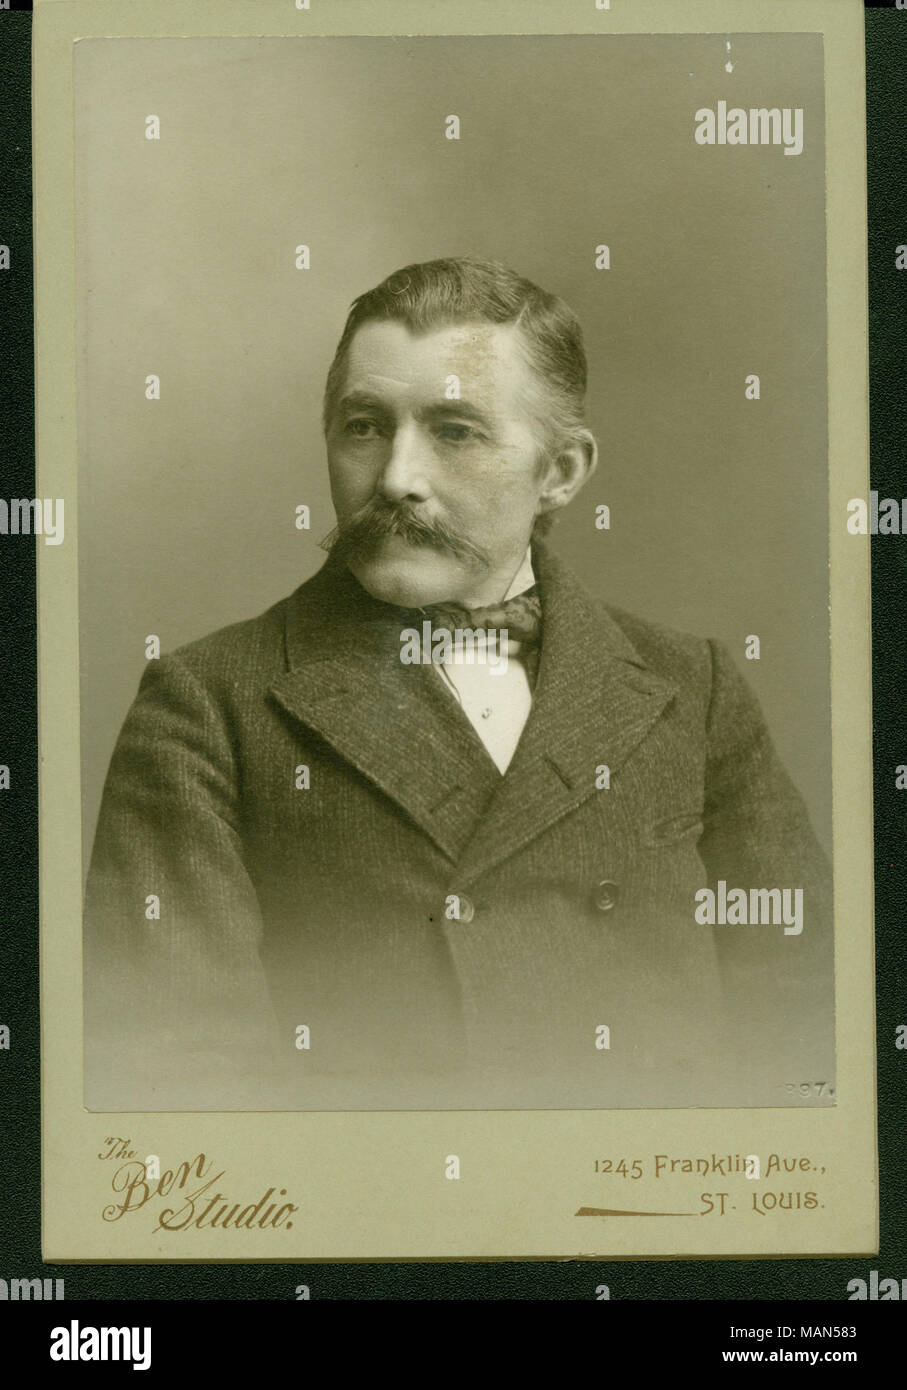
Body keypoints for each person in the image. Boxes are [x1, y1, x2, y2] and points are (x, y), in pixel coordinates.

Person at [84, 257, 834, 1111]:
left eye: (454, 431)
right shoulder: (207, 704)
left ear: (561, 471)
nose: (397, 476)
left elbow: (803, 1013)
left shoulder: (688, 686)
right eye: (363, 426)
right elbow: (174, 1066)